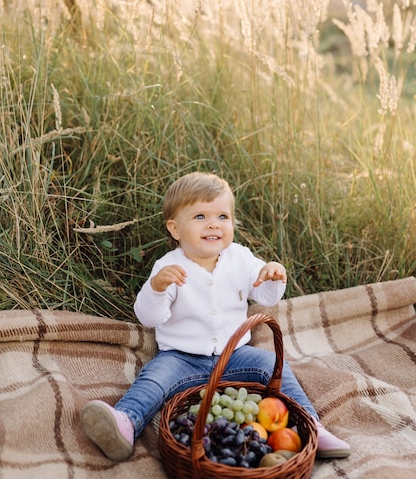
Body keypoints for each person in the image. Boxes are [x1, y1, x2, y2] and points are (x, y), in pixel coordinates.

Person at [81, 172, 351, 461]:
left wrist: (273, 276)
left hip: (235, 355)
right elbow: (149, 317)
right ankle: (125, 424)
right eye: (199, 216)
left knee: (273, 365)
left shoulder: (241, 258)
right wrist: (157, 288)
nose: (213, 224)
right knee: (153, 379)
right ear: (175, 229)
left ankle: (313, 426)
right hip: (181, 358)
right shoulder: (168, 266)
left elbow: (266, 297)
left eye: (222, 216)